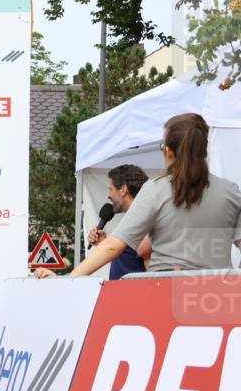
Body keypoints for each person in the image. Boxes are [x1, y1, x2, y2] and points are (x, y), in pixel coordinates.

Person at [36, 113, 241, 279]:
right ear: (203, 150)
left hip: (165, 292)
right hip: (216, 296)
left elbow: (113, 247)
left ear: (169, 151)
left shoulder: (156, 189)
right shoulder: (231, 191)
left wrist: (69, 280)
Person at [88, 164, 151, 279]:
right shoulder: (133, 220)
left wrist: (72, 277)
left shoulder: (147, 221)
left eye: (111, 190)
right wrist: (103, 243)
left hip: (137, 294)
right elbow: (128, 257)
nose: (109, 195)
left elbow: (145, 254)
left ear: (123, 190)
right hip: (119, 293)